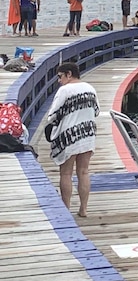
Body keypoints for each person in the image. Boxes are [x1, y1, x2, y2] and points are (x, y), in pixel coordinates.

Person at [46, 62, 99, 217]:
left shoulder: (65, 90)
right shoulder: (90, 88)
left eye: (60, 76)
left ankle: (66, 209)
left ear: (69, 74)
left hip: (68, 136)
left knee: (66, 174)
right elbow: (96, 111)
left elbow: (52, 115)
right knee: (83, 172)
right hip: (88, 134)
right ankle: (83, 209)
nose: (59, 80)